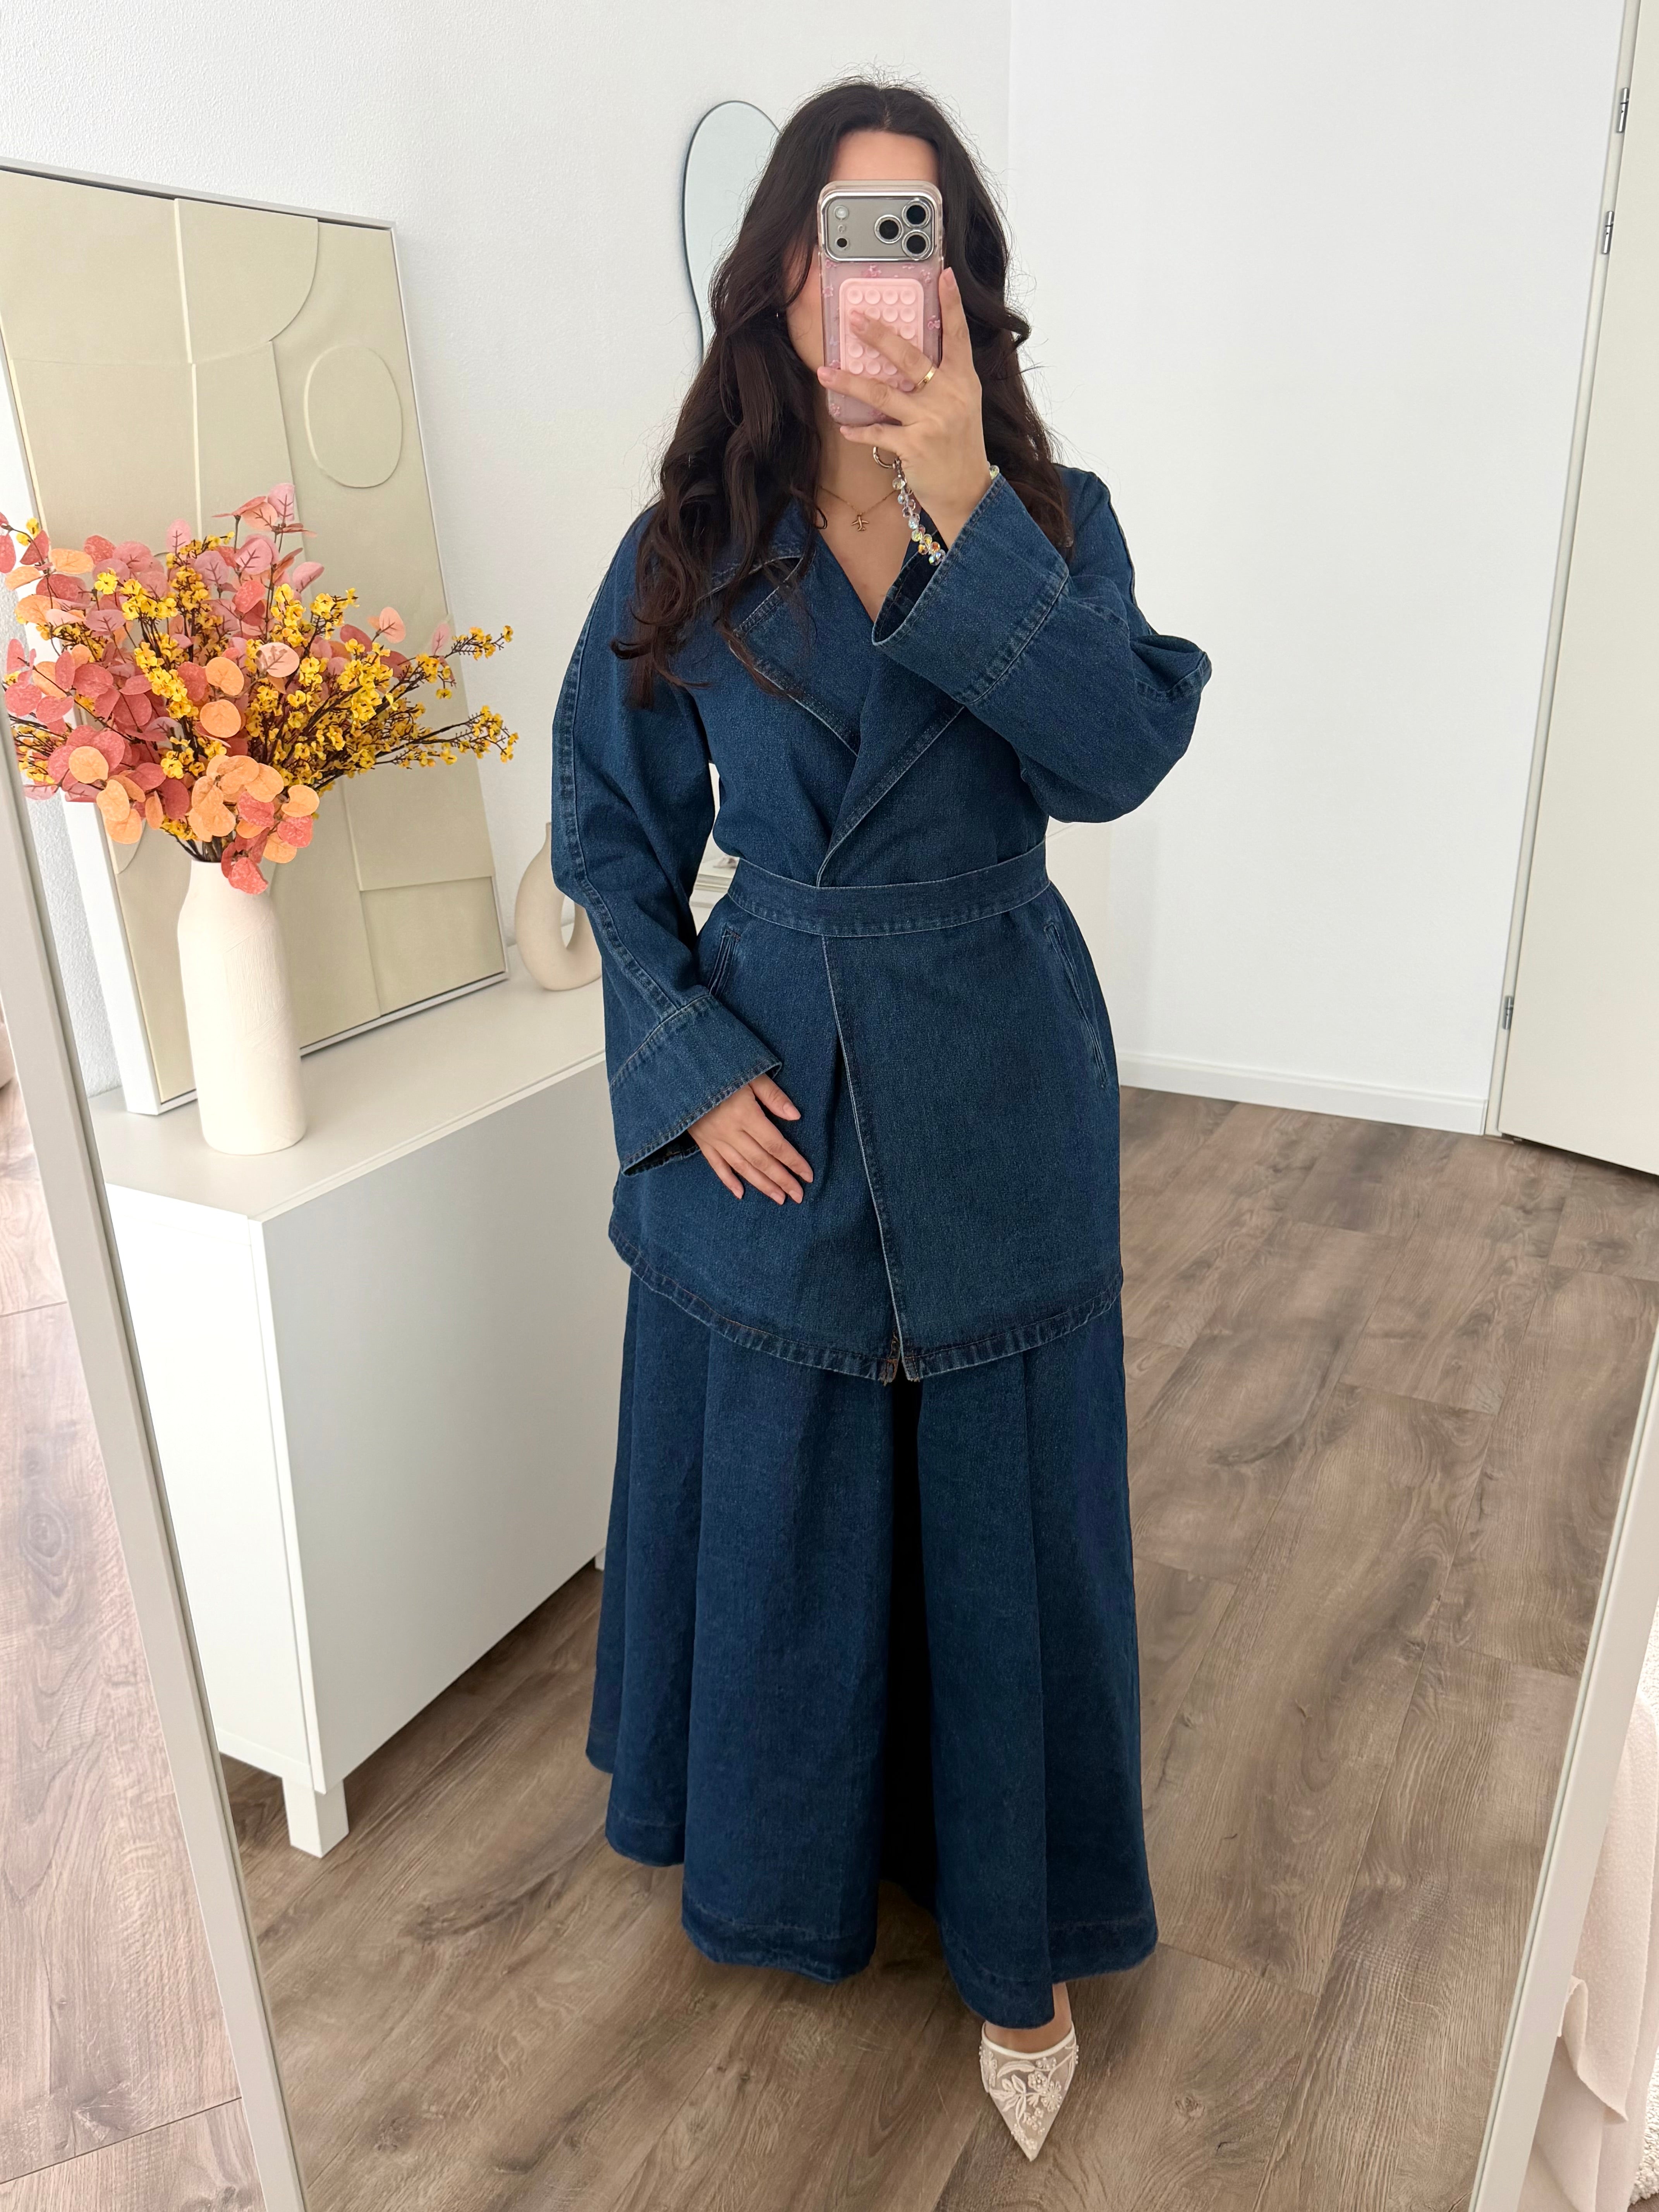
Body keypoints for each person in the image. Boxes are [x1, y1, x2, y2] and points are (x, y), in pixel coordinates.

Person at [551, 77, 1210, 2161]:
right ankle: (783, 1857)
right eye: (846, 238)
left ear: (963, 285)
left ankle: (1023, 1936)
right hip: (783, 1072)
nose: (877, 284)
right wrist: (684, 1067)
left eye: (916, 240)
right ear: (782, 279)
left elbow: (1114, 761)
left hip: (997, 1055)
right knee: (787, 1489)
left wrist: (969, 512)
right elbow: (606, 836)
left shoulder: (1057, 521)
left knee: (1004, 1512)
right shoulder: (692, 546)